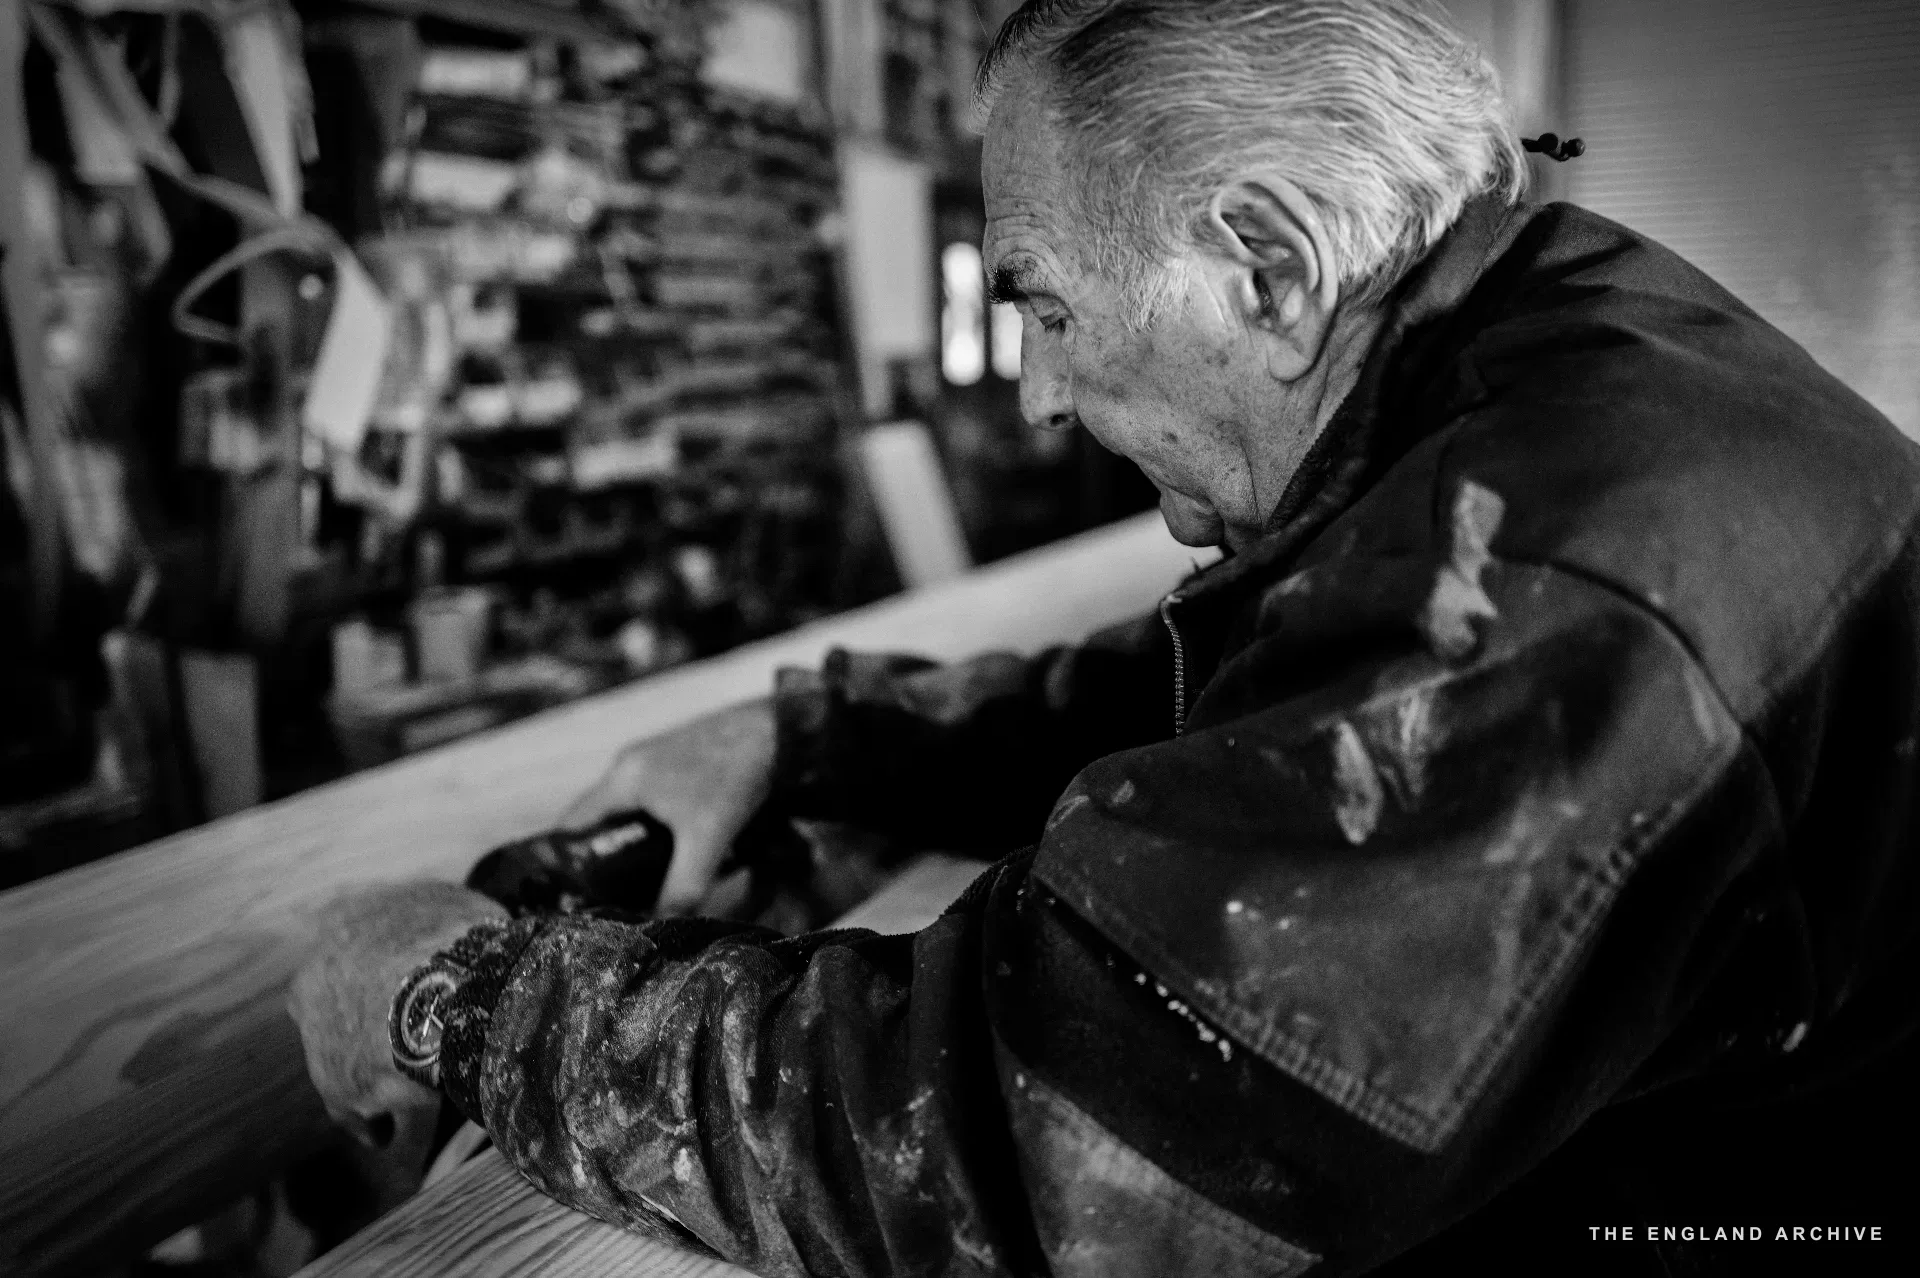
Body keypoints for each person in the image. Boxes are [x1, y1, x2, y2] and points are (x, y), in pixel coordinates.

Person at [290, 2, 1920, 1274]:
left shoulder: (1562, 572)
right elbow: (1255, 709)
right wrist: (807, 733)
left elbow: (1043, 1141)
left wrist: (465, 992)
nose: (1038, 392)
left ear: (1267, 268)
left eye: (1047, 305)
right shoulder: (1529, 362)